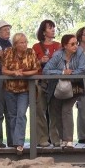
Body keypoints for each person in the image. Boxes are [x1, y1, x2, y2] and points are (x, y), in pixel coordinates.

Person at [44, 33, 85, 148]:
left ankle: (69, 140)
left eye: (76, 43)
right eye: (72, 44)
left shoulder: (80, 53)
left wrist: (70, 73)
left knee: (67, 110)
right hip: (57, 88)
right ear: (65, 46)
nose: (75, 46)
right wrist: (62, 73)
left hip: (74, 87)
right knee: (56, 112)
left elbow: (82, 69)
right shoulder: (58, 55)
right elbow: (46, 70)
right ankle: (62, 138)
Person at [0, 32, 40, 153]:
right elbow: (4, 70)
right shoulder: (8, 52)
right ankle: (13, 142)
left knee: (21, 114)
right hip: (10, 88)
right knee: (12, 116)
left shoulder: (31, 52)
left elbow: (36, 69)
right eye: (21, 42)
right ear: (15, 44)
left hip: (25, 88)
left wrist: (23, 73)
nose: (24, 44)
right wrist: (14, 73)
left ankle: (19, 143)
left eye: (25, 42)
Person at [32, 19, 61, 148]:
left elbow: (62, 62)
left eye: (53, 27)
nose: (53, 30)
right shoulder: (36, 47)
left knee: (55, 110)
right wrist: (40, 61)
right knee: (40, 110)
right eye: (50, 28)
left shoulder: (59, 45)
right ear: (43, 32)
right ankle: (42, 138)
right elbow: (31, 64)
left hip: (55, 80)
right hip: (40, 81)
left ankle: (56, 138)